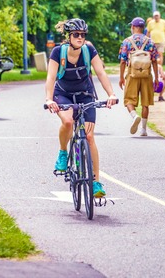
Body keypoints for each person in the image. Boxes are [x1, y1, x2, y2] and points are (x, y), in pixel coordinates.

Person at [45, 18, 117, 198]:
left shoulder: (89, 50)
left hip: (85, 95)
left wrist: (111, 94)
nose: (80, 37)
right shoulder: (57, 52)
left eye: (83, 35)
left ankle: (95, 183)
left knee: (90, 136)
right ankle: (63, 152)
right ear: (68, 36)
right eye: (76, 34)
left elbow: (100, 72)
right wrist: (48, 99)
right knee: (68, 121)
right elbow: (51, 78)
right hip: (63, 95)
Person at [119, 17, 159, 137]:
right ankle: (143, 130)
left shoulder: (127, 41)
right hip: (146, 74)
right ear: (143, 28)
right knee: (145, 103)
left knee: (128, 100)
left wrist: (121, 77)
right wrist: (156, 78)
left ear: (134, 27)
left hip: (132, 74)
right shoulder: (150, 42)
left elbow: (122, 61)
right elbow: (155, 61)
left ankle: (134, 115)